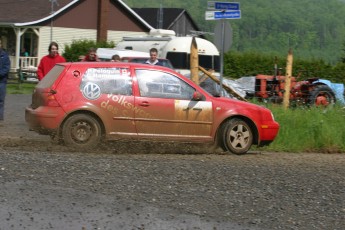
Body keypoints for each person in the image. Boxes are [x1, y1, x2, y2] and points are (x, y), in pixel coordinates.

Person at [0, 40, 10, 126]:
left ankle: (0, 119)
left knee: (1, 101)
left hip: (1, 82)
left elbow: (6, 69)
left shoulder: (5, 56)